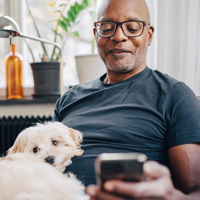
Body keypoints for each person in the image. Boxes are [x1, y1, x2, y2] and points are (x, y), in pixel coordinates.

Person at [52, 0, 200, 199]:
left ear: (148, 35)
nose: (119, 36)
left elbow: (195, 191)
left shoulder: (175, 95)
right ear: (97, 34)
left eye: (132, 27)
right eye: (107, 27)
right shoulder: (69, 99)